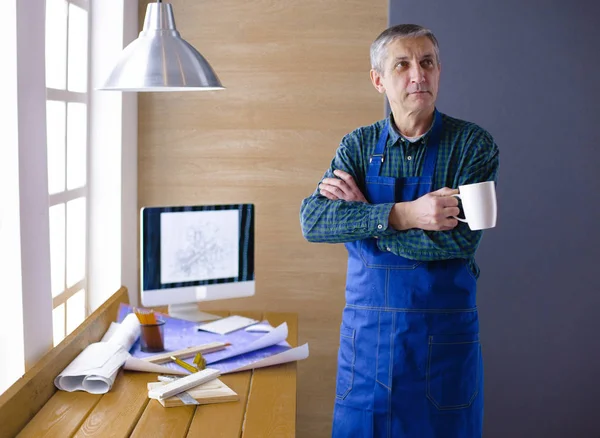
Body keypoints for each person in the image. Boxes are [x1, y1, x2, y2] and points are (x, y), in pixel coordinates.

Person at [300, 24, 499, 438]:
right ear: (378, 80)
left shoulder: (472, 146)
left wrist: (363, 218)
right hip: (367, 350)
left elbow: (458, 241)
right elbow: (314, 221)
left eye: (427, 63)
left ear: (439, 71)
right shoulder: (356, 146)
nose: (418, 75)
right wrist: (405, 214)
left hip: (444, 346)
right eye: (402, 65)